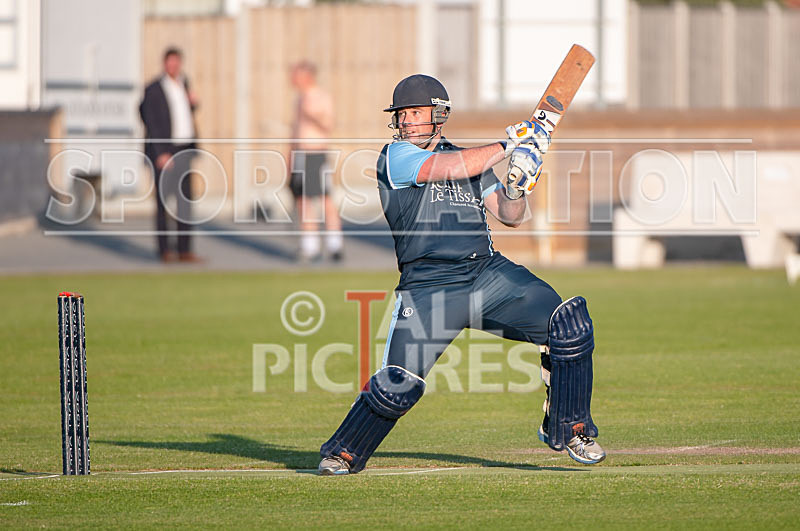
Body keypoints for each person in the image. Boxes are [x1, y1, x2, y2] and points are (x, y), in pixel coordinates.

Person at [317, 74, 605, 475]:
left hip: (486, 274)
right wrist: (510, 143)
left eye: (416, 113)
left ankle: (569, 426)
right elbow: (449, 166)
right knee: (398, 384)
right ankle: (344, 451)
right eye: (402, 114)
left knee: (568, 325)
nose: (407, 122)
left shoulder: (472, 161)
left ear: (439, 115)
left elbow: (510, 217)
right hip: (428, 287)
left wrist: (519, 184)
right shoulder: (395, 157)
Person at [139, 47, 202, 263]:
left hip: (185, 148)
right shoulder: (154, 89)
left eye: (176, 63)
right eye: (170, 63)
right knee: (164, 202)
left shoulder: (184, 83)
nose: (173, 67)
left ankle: (185, 249)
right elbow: (151, 122)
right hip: (165, 151)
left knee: (185, 201)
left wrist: (194, 103)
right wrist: (161, 152)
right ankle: (165, 250)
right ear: (165, 64)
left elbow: (184, 114)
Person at [289, 61, 343, 262]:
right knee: (302, 200)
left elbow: (328, 124)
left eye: (296, 75)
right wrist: (290, 154)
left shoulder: (320, 97)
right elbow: (295, 130)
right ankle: (309, 245)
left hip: (316, 154)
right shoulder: (299, 99)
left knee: (324, 198)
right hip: (300, 154)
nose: (293, 79)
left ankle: (334, 244)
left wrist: (312, 114)